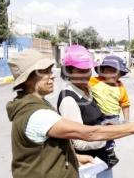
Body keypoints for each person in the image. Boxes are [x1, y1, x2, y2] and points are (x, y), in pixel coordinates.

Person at [6, 49, 134, 178]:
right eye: (44, 72)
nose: (52, 76)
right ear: (27, 80)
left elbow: (49, 148)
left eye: (51, 71)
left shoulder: (40, 104)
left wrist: (75, 158)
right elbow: (88, 134)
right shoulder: (37, 113)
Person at [57, 45, 116, 178]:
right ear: (69, 72)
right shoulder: (69, 100)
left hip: (100, 163)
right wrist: (107, 136)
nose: (86, 75)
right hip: (88, 168)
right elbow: (78, 142)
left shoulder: (87, 90)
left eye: (88, 70)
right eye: (81, 71)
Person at [89, 55, 130, 150]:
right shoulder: (94, 81)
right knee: (97, 136)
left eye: (115, 71)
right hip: (98, 116)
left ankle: (109, 149)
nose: (111, 74)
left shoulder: (120, 86)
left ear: (120, 74)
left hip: (113, 117)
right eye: (108, 70)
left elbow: (125, 104)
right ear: (102, 72)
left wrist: (126, 121)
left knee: (109, 138)